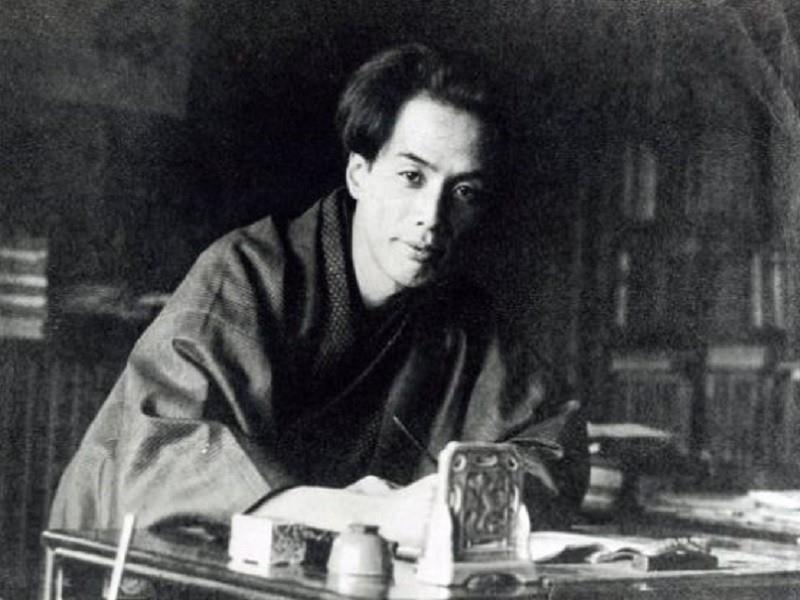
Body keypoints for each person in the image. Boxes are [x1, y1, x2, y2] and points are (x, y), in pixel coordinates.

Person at [49, 43, 588, 550]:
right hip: (124, 550)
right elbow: (168, 461)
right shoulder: (248, 272)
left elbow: (550, 441)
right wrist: (369, 513)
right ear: (360, 174)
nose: (432, 216)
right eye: (411, 176)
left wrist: (457, 498)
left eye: (464, 191)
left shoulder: (462, 315)